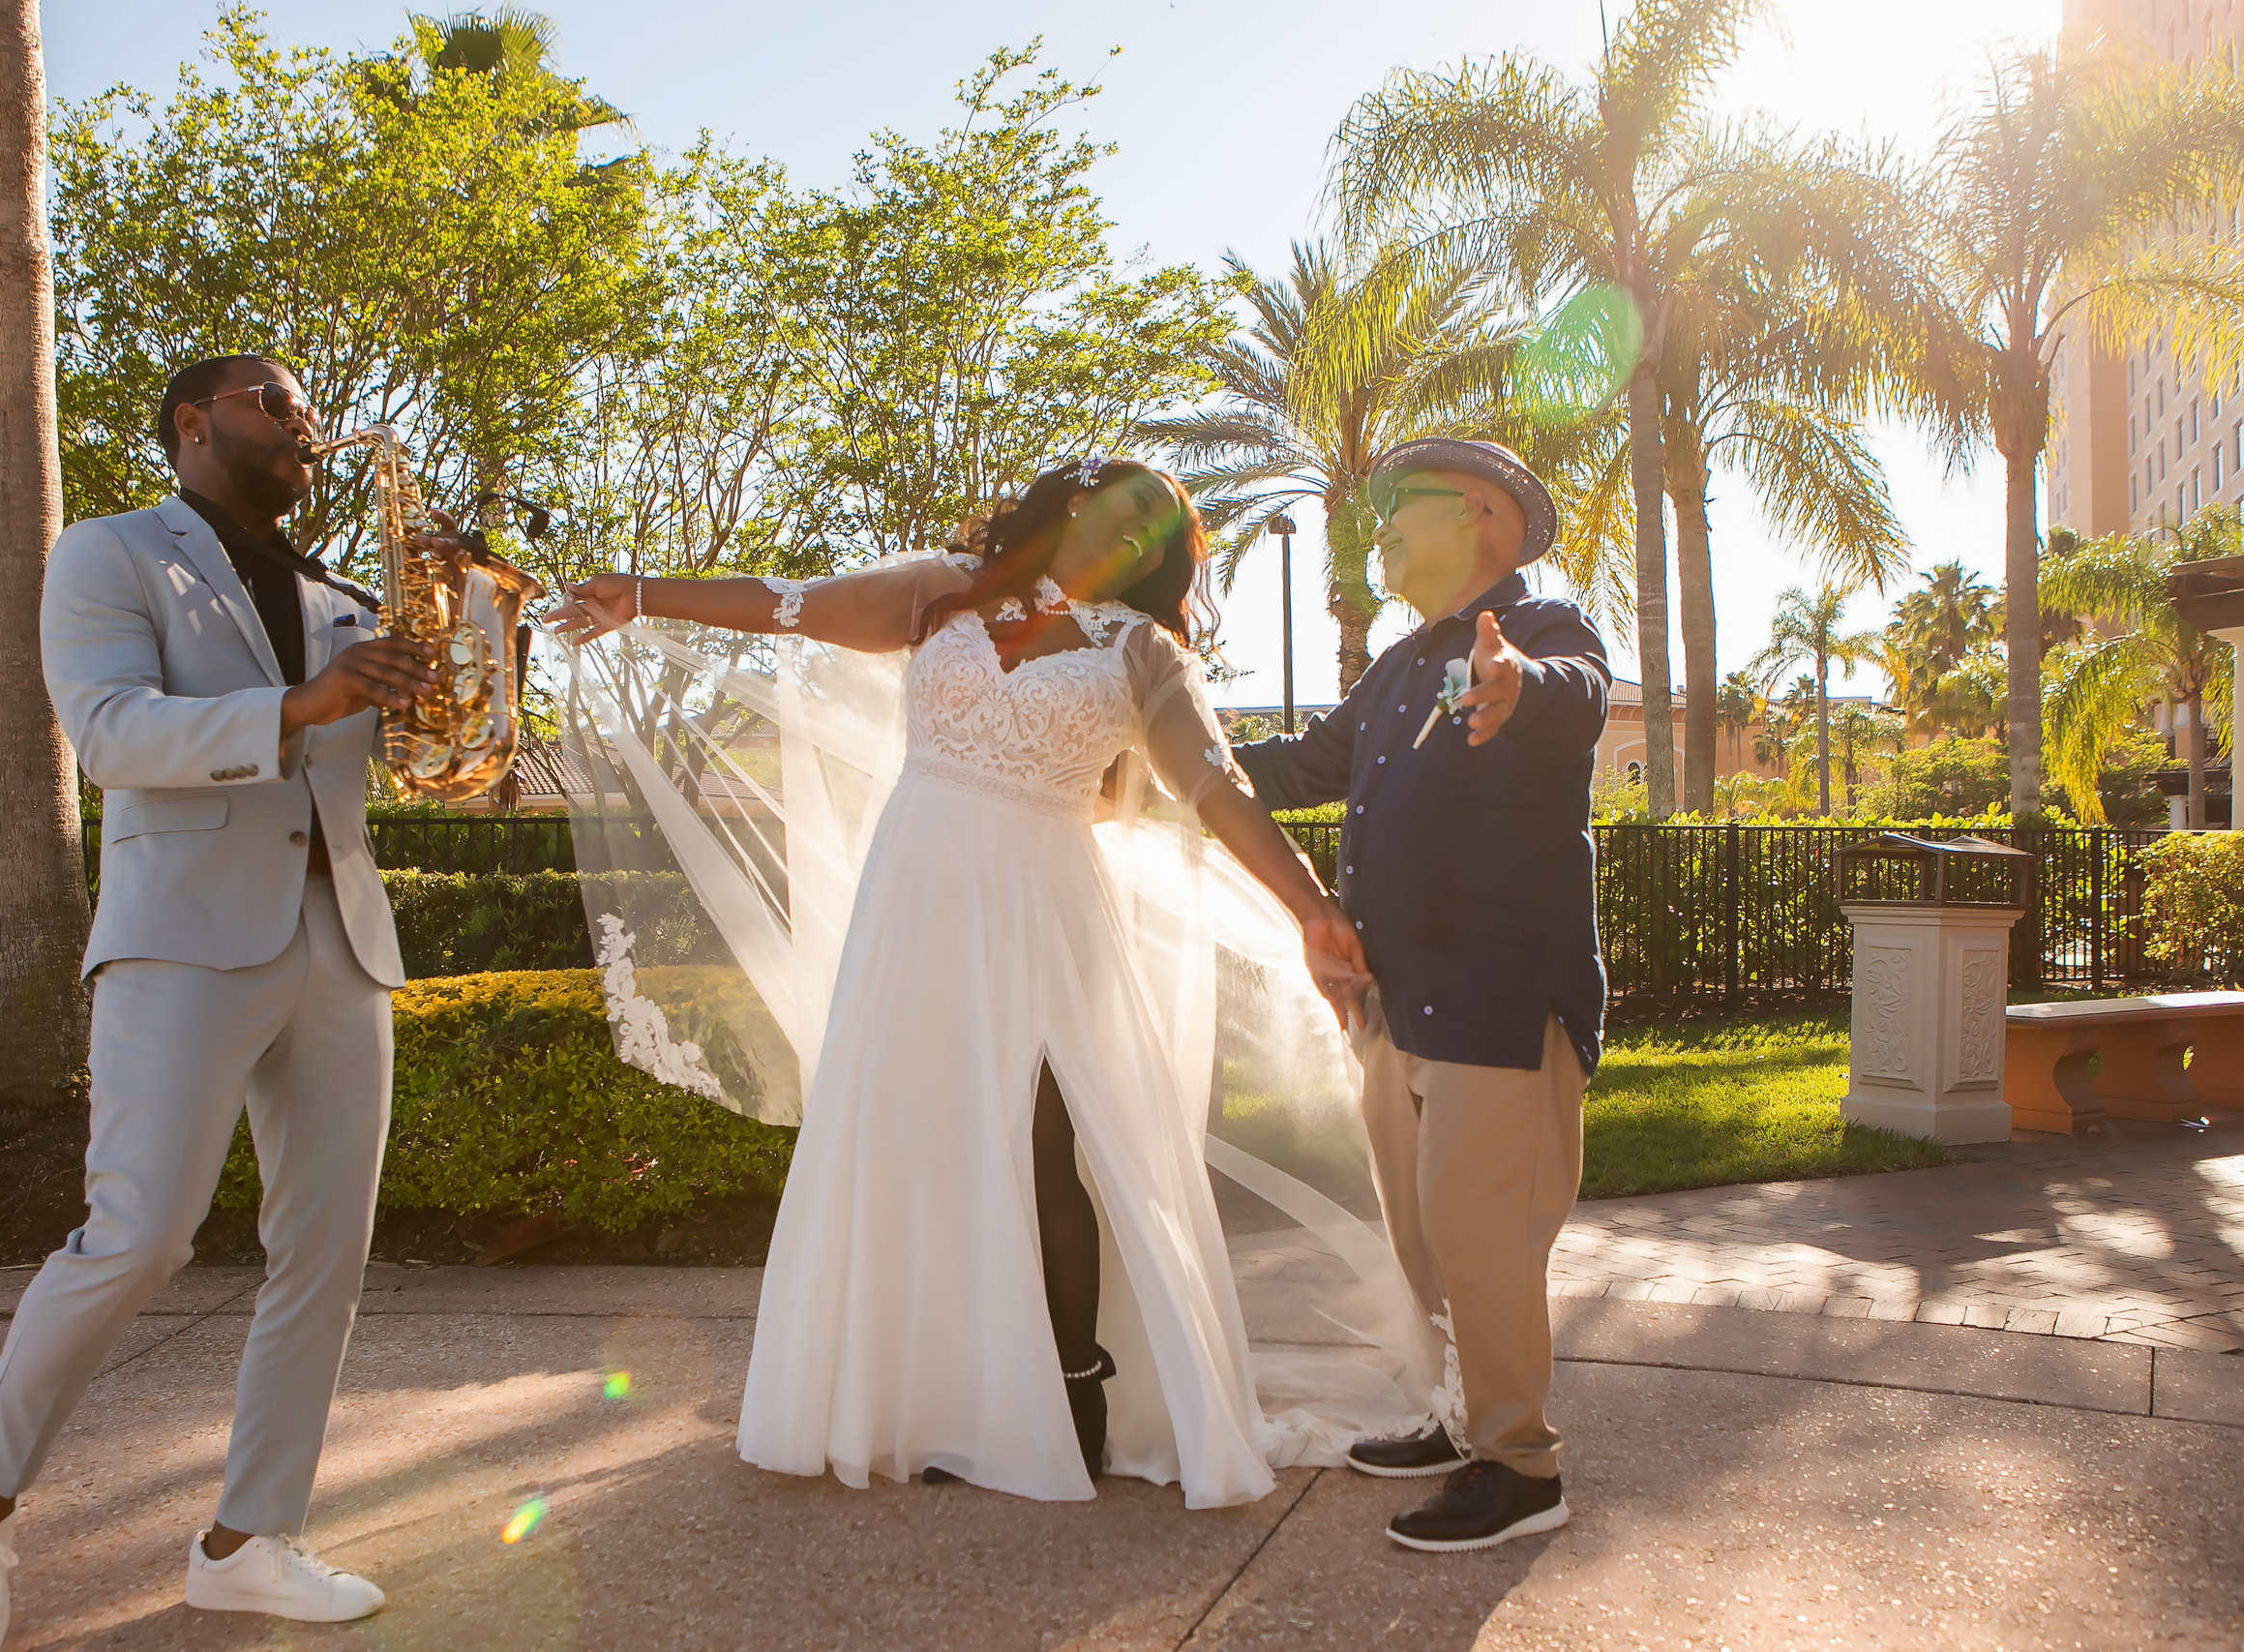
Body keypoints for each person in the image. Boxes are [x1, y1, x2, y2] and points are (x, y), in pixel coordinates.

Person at [553, 459, 1384, 1506]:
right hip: (917, 892)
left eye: (1156, 532)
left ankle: (1076, 1387)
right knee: (913, 1129)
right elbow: (784, 607)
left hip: (1045, 903)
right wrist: (640, 593)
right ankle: (934, 1395)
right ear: (1075, 504)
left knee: (1044, 1139)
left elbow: (1216, 787)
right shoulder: (941, 589)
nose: (1132, 537)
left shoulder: (1141, 649)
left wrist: (1309, 906)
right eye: (1125, 509)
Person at [0, 355, 436, 1651]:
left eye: (307, 407)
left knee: (325, 1254)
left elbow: (402, 761)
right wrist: (303, 704)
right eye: (275, 401)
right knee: (137, 1235)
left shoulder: (339, 594)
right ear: (194, 425)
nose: (304, 421)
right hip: (182, 941)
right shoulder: (108, 552)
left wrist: (460, 675)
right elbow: (108, 732)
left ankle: (247, 1540)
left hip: (340, 936)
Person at [1230, 437, 1610, 1552]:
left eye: (1400, 506)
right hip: (1395, 1004)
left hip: (1497, 998)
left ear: (1481, 512)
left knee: (1480, 1238)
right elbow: (1303, 766)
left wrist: (1513, 686)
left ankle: (1520, 1468)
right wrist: (1177, 751)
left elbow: (1573, 697)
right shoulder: (1398, 668)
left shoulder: (1540, 634)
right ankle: (1457, 1421)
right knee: (1424, 1237)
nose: (1378, 527)